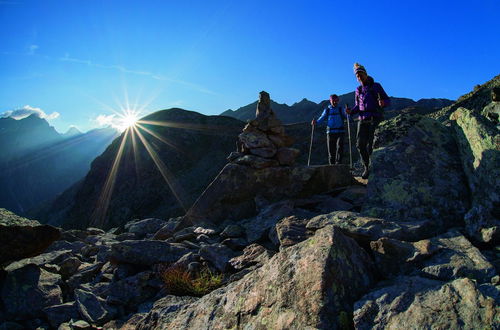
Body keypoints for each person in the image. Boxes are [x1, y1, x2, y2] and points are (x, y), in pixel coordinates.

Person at [346, 63, 390, 179]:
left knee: (371, 145)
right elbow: (357, 105)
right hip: (362, 119)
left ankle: (373, 168)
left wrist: (383, 103)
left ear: (365, 74)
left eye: (361, 74)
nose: (359, 77)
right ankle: (366, 167)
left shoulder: (376, 86)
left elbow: (387, 100)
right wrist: (351, 111)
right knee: (360, 144)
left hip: (375, 118)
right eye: (357, 76)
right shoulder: (358, 90)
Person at [311, 94, 346, 165]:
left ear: (338, 100)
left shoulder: (341, 109)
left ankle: (339, 164)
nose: (335, 102)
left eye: (336, 100)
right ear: (330, 101)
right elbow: (321, 119)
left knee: (340, 148)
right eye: (333, 101)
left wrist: (349, 114)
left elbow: (348, 117)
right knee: (331, 151)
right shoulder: (327, 110)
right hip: (330, 132)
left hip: (340, 132)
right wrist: (315, 122)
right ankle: (332, 166)